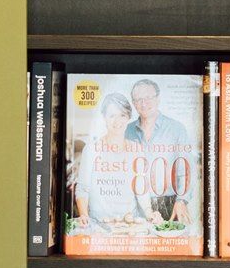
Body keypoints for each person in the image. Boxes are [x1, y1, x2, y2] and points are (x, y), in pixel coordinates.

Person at [124, 78, 191, 225]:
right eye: (138, 99)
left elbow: (185, 171)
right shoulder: (126, 131)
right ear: (134, 103)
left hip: (170, 204)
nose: (144, 103)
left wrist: (181, 200)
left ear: (158, 99)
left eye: (148, 97)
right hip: (136, 207)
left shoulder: (177, 129)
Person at [73, 92, 141, 227]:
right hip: (98, 225)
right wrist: (84, 215)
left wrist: (150, 212)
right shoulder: (91, 149)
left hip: (131, 224)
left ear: (128, 117)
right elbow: (82, 188)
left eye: (122, 115)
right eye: (112, 115)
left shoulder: (137, 149)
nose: (118, 121)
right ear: (104, 117)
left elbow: (141, 189)